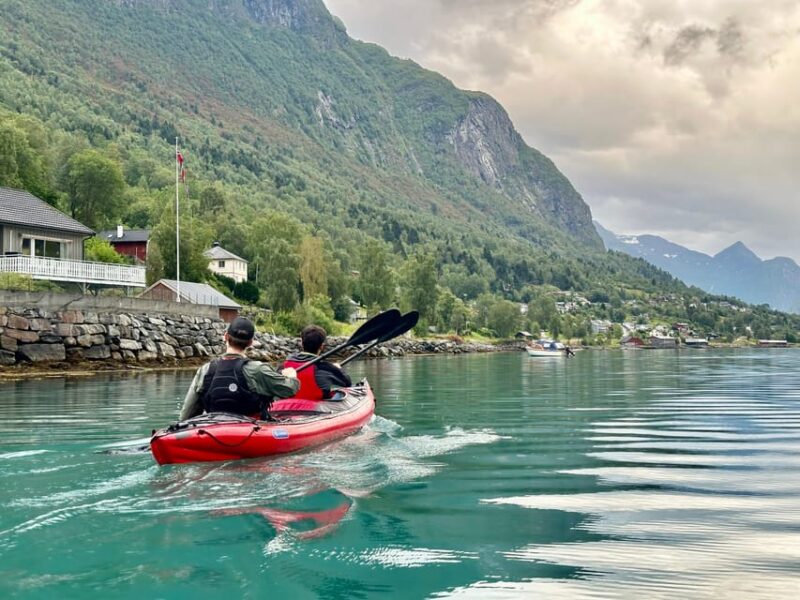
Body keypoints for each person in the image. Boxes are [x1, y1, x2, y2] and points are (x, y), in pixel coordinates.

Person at [179, 316, 299, 420]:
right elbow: (290, 389)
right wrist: (291, 376)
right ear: (251, 342)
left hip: (212, 430)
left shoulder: (205, 370)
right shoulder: (259, 369)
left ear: (225, 336)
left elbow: (187, 414)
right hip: (249, 430)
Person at [283, 324, 352, 400]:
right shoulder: (326, 368)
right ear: (322, 346)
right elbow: (347, 382)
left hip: (283, 407)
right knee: (339, 393)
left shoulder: (284, 365)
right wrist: (338, 369)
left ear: (302, 344)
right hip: (315, 408)